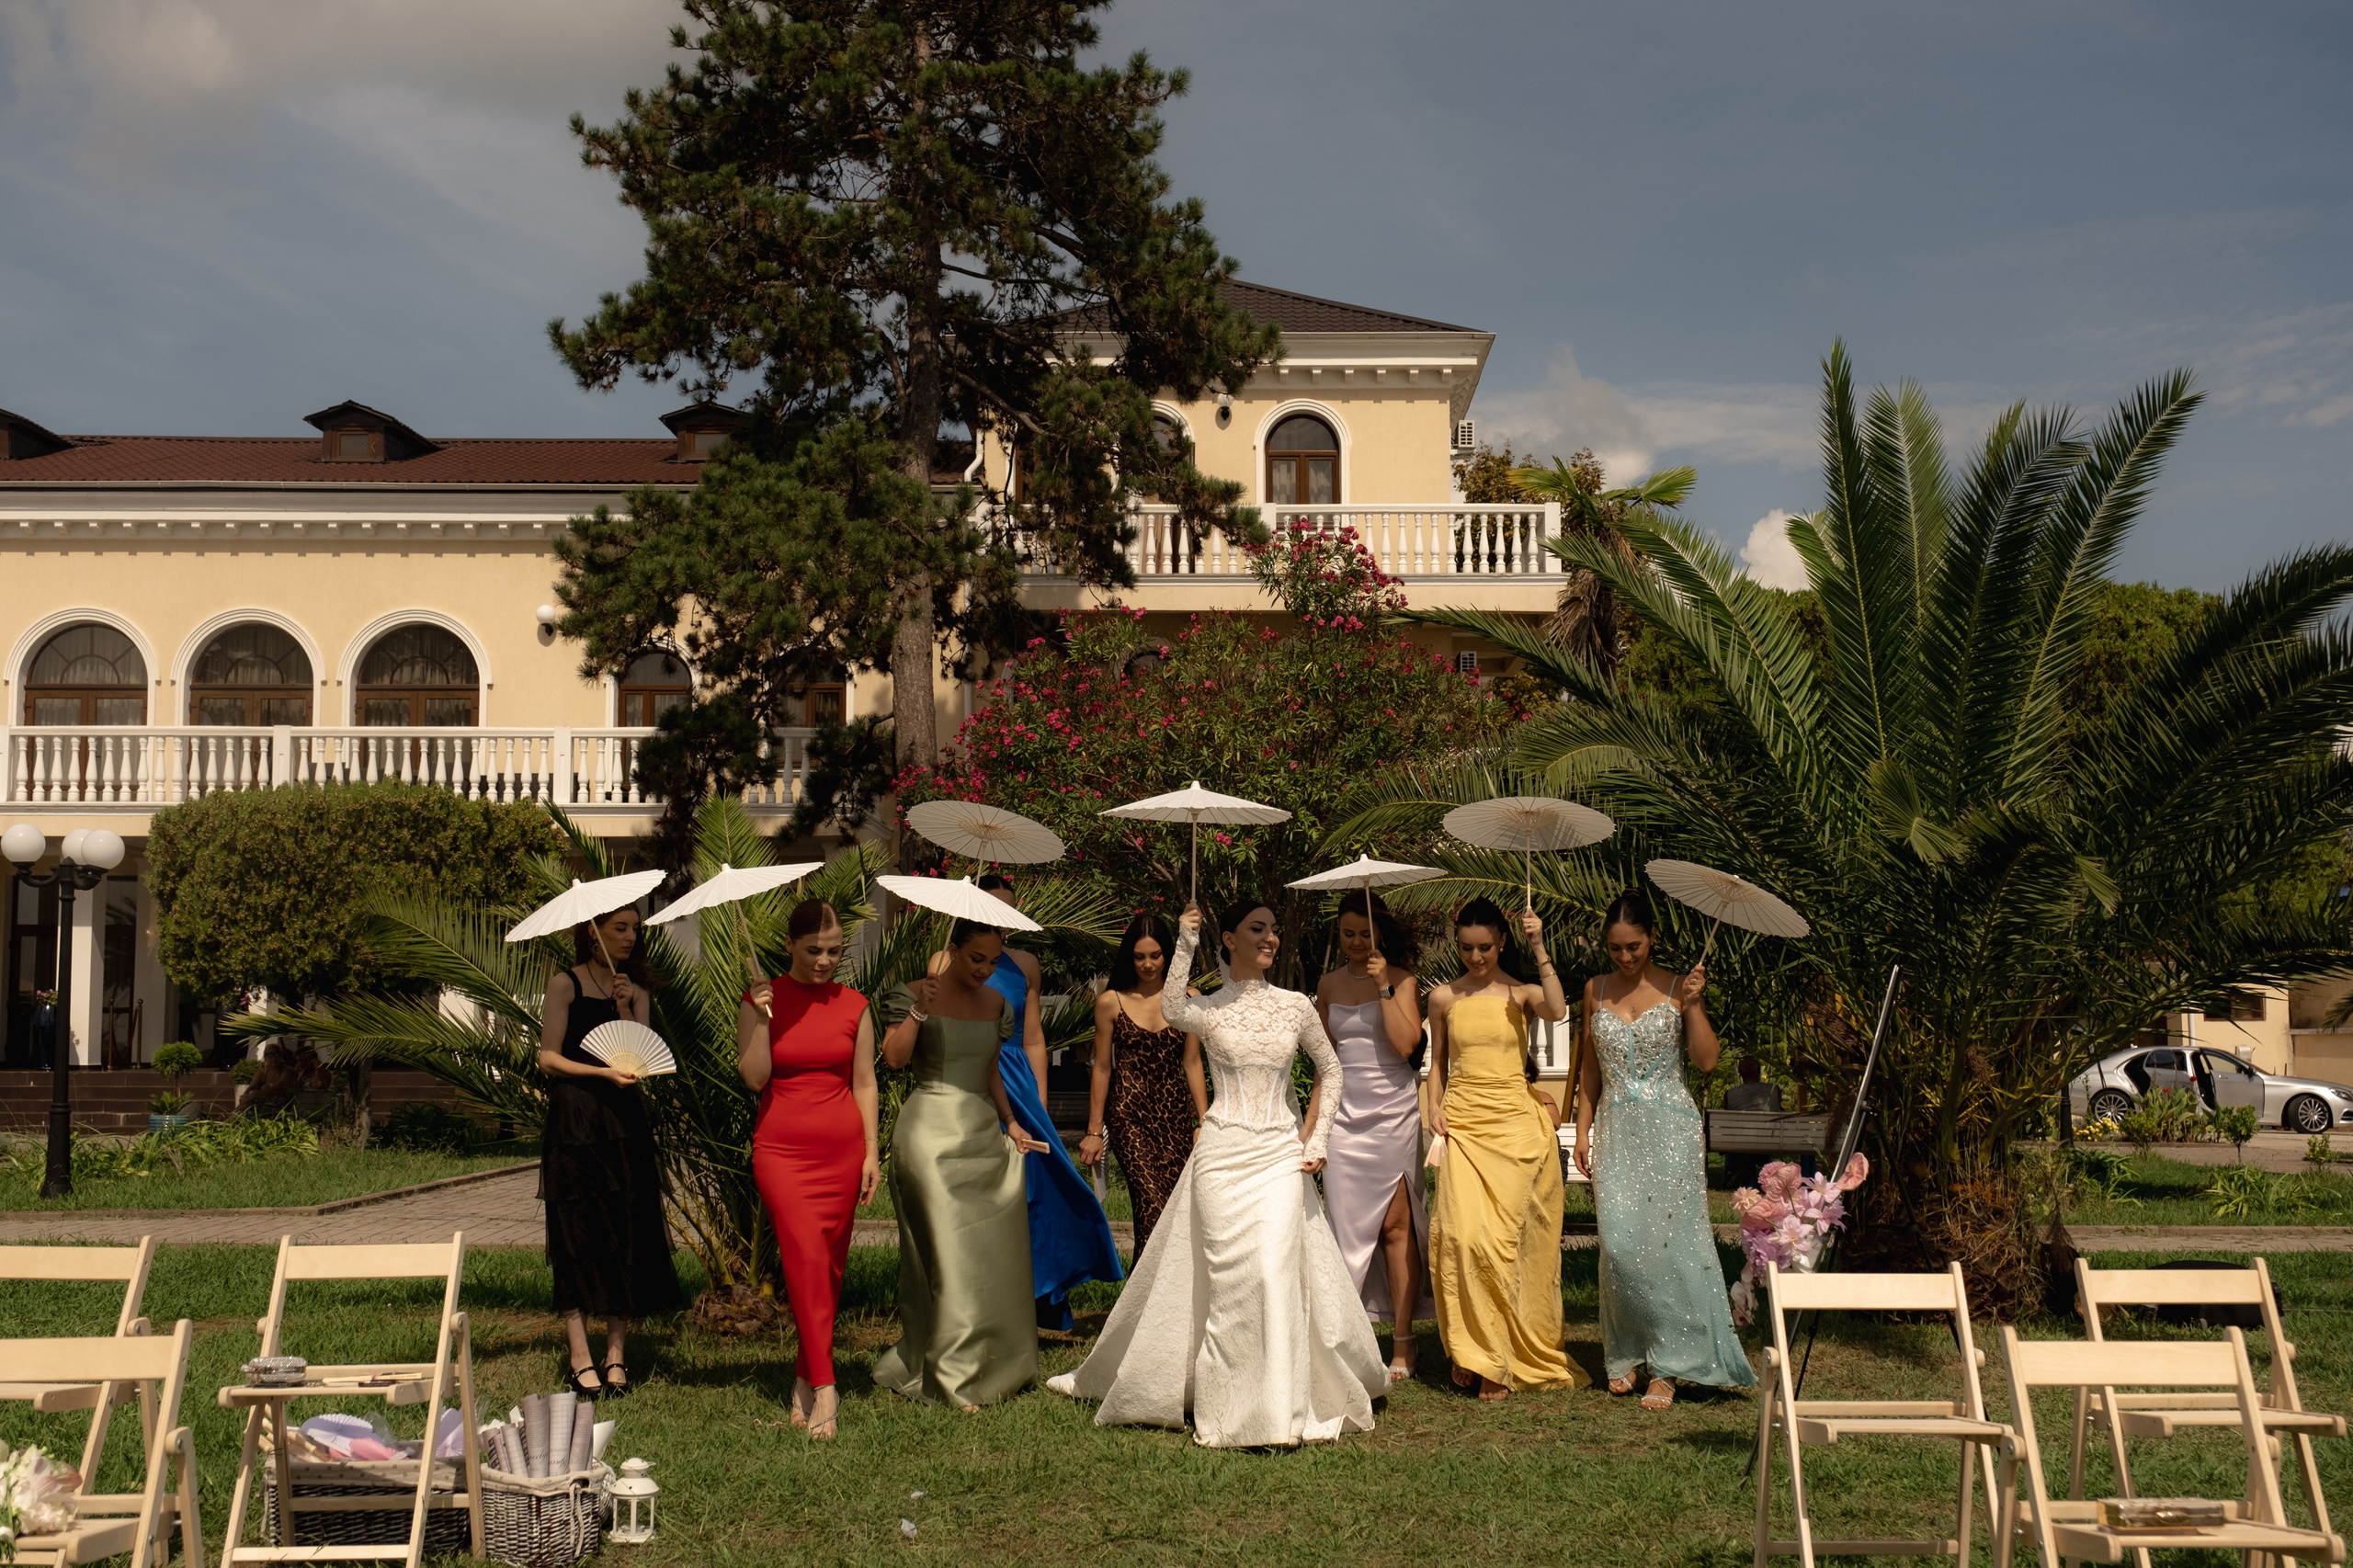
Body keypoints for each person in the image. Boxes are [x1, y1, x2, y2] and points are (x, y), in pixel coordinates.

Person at [1049, 901, 1387, 1448]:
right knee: (1230, 1282)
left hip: (1278, 1152)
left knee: (1273, 1269)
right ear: (1228, 940)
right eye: (1258, 930)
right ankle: (1223, 1398)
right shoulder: (1203, 1009)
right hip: (1221, 1154)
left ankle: (1275, 1409)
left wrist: (1317, 1135)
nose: (1271, 938)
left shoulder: (1296, 1005)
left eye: (1275, 929)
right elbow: (1175, 1010)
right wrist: (1183, 941)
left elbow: (1332, 1068)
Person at [1574, 888, 1756, 1409]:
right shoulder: (1594, 989)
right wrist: (1582, 1130)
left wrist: (1694, 1006)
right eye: (1616, 948)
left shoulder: (1681, 987)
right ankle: (1629, 1349)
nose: (1626, 957)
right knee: (1622, 1245)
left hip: (1670, 1131)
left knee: (1672, 1248)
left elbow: (1706, 1062)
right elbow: (1589, 1070)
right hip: (1614, 1128)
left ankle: (1671, 1365)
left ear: (1651, 938)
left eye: (1634, 946)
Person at [870, 918, 1051, 1410]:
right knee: (946, 1257)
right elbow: (893, 1059)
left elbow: (992, 1070)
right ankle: (950, 1377)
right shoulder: (909, 993)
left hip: (982, 1132)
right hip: (928, 1134)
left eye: (994, 961)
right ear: (952, 950)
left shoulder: (997, 1004)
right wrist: (919, 1012)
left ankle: (996, 1362)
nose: (985, 970)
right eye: (976, 959)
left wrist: (1012, 1124)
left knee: (985, 1256)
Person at [1425, 896, 1580, 1399]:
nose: (1476, 958)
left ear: (1502, 942)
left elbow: (1558, 1010)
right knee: (1461, 1236)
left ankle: (1498, 1358)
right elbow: (1438, 1065)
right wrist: (1434, 1110)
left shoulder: (1521, 993)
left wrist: (1539, 947)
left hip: (1515, 1126)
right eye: (1468, 948)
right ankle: (1472, 1349)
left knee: (1509, 1244)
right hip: (1464, 1126)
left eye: (1486, 947)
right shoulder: (1443, 997)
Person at [739, 899, 880, 1441]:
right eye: (813, 950)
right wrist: (758, 1015)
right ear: (790, 947)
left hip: (843, 1151)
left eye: (834, 951)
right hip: (781, 1152)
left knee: (826, 1271)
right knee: (802, 1259)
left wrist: (871, 1152)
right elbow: (754, 1078)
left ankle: (802, 1380)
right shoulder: (760, 1001)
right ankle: (827, 1387)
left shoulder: (856, 1004)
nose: (825, 960)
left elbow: (865, 1081)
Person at [538, 905, 682, 1399]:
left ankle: (616, 1355)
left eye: (634, 929)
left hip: (624, 1122)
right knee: (575, 1232)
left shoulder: (635, 990)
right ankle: (580, 1355)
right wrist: (597, 1072)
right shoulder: (565, 984)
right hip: (575, 1118)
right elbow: (547, 1056)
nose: (629, 937)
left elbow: (639, 1055)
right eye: (620, 928)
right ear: (592, 932)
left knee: (626, 1227)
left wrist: (625, 1009)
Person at [974, 873, 1124, 1328]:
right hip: (972, 1076)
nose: (1000, 922)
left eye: (1008, 911)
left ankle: (1039, 1293)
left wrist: (1038, 1100)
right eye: (991, 909)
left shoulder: (1026, 962)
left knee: (1041, 1188)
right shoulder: (945, 959)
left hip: (1018, 1078)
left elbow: (1036, 1038)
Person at [1313, 894, 1431, 1381]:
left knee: (1396, 1228)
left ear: (1379, 934)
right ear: (1339, 936)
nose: (1358, 942)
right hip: (1343, 1115)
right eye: (1348, 933)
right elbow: (1324, 1061)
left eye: (1365, 933)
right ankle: (1346, 1338)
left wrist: (1384, 986)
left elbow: (1407, 1046)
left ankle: (1403, 1341)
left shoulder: (1403, 980)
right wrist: (1311, 1131)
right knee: (1345, 1231)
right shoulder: (1326, 984)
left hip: (1392, 1112)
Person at [1078, 913, 1204, 1263]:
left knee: (1176, 1212)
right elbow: (1102, 1067)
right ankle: (1146, 1311)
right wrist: (1094, 1129)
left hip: (1176, 1116)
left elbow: (1192, 1062)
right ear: (1128, 957)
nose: (1148, 964)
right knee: (1152, 1205)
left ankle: (1158, 1306)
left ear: (1168, 954)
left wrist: (1203, 1122)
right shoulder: (1110, 1002)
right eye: (1139, 956)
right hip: (1127, 1115)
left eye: (1155, 955)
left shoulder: (1190, 998)